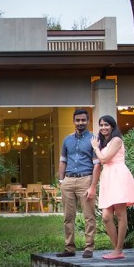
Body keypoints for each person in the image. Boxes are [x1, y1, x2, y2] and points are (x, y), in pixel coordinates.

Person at [88, 115, 134, 259]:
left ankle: (118, 250)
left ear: (112, 126)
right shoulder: (104, 143)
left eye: (106, 125)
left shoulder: (116, 140)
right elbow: (99, 163)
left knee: (121, 215)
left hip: (118, 176)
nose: (103, 127)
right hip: (108, 178)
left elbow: (104, 159)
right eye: (101, 125)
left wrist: (96, 148)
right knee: (106, 217)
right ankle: (117, 250)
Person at [57, 109, 97, 258]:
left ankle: (89, 248)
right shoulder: (67, 140)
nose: (81, 123)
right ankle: (69, 248)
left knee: (89, 215)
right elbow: (63, 161)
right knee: (68, 216)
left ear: (88, 121)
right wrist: (61, 181)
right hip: (68, 180)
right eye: (78, 120)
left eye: (83, 120)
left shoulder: (93, 139)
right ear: (73, 121)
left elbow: (97, 164)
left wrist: (93, 184)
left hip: (85, 179)